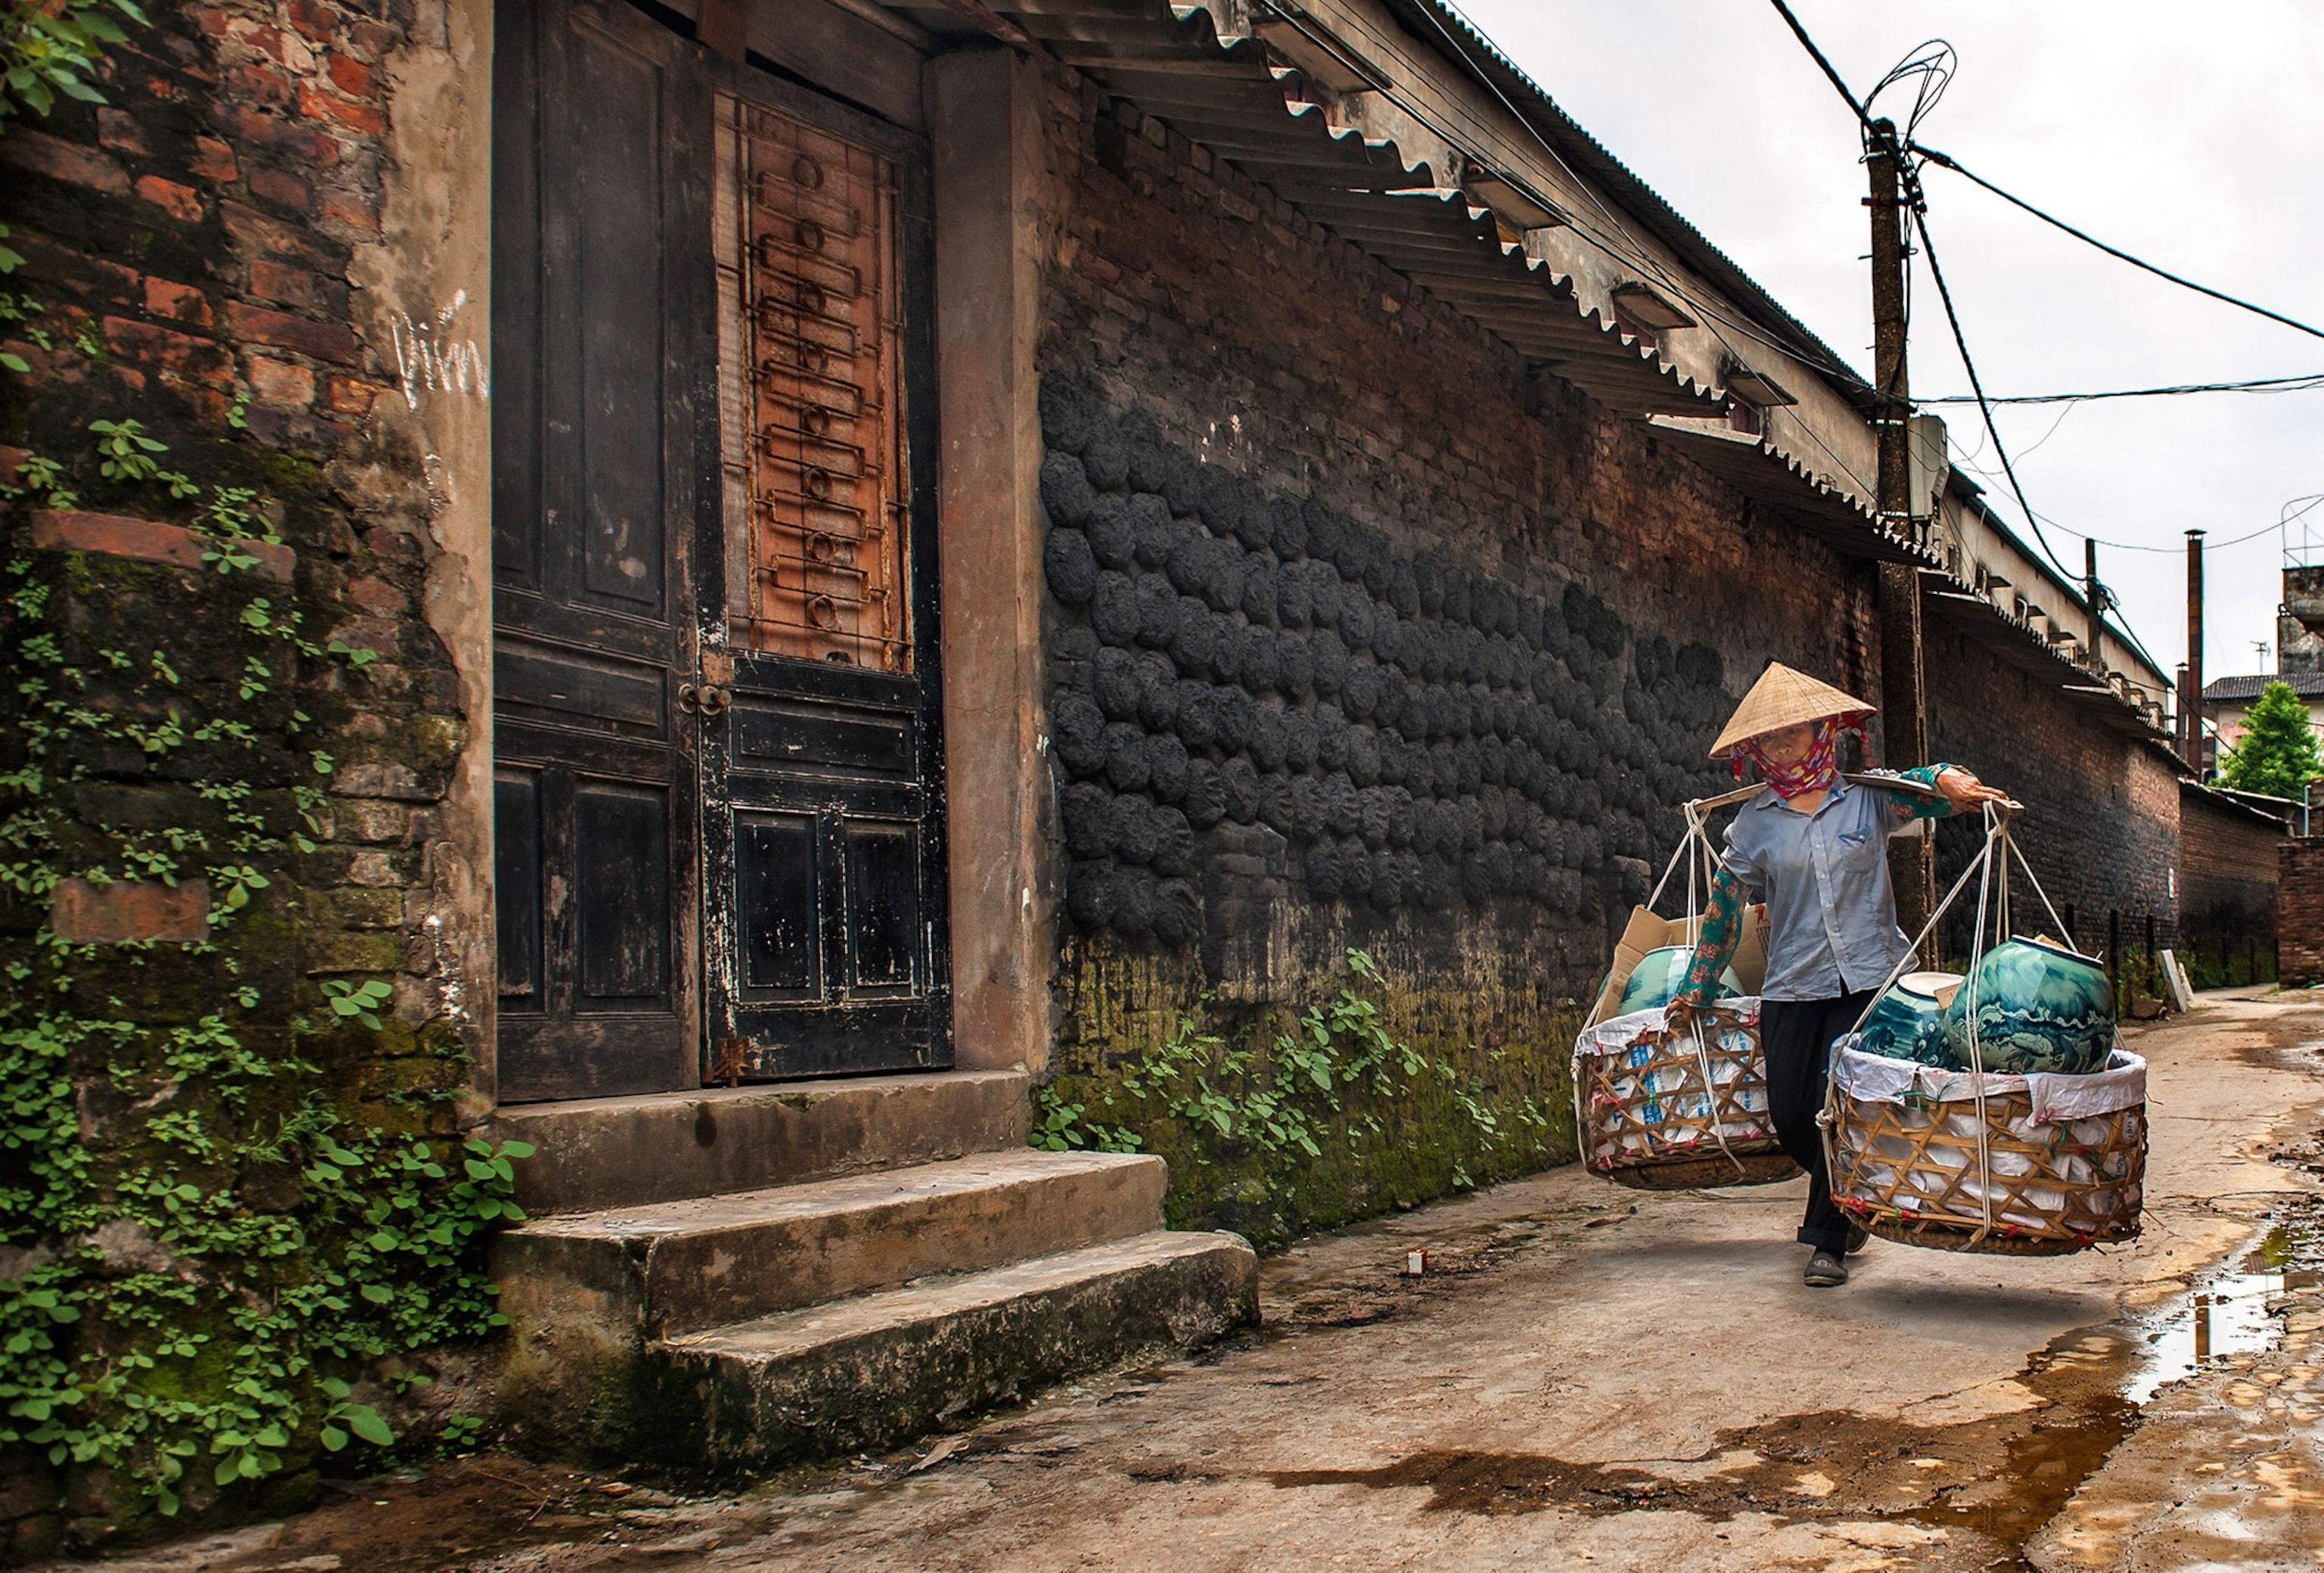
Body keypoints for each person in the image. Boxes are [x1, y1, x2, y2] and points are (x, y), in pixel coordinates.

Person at [1665, 663, 2009, 1289]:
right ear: (1753, 750)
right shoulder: (1753, 824)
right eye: (1769, 738)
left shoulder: (1868, 796)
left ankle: (1826, 1240)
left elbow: (1927, 787)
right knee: (1794, 1115)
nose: (1783, 745)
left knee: (1838, 1104)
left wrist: (1952, 780)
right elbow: (1722, 910)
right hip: (1793, 985)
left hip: (1871, 982)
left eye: (1794, 731)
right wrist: (1695, 986)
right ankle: (1845, 1198)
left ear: (1822, 728)